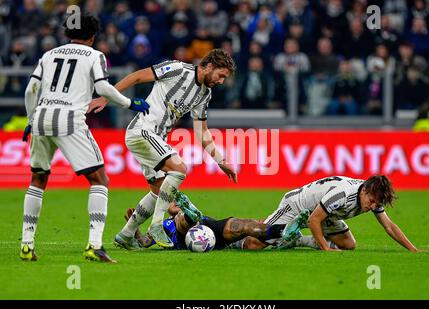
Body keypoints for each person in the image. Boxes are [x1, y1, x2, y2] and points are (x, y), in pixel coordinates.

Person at [20, 13, 150, 263]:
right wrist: (129, 102)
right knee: (99, 178)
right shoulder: (94, 55)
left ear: (68, 34)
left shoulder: (48, 55)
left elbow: (31, 90)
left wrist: (30, 119)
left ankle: (27, 244)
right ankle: (95, 245)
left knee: (37, 179)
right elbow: (101, 89)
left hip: (40, 118)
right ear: (92, 37)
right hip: (68, 121)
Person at [89, 49, 238, 249]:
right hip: (142, 130)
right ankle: (157, 225)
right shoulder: (177, 69)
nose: (221, 81)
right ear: (209, 66)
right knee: (179, 169)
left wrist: (221, 161)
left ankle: (125, 235)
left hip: (155, 138)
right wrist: (106, 97)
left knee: (158, 191)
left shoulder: (204, 94)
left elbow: (202, 132)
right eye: (221, 76)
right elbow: (137, 76)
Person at [242, 175, 422, 252]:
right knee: (253, 244)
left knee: (348, 244)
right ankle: (242, 228)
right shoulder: (343, 194)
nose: (372, 206)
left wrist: (412, 249)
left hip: (326, 214)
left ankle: (296, 239)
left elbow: (389, 226)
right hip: (297, 206)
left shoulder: (371, 196)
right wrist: (325, 248)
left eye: (377, 203)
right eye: (372, 201)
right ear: (365, 190)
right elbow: (314, 220)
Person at [122, 192, 288, 251]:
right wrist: (135, 228)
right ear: (164, 208)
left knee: (242, 226)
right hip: (184, 239)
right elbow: (143, 242)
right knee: (181, 222)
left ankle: (283, 230)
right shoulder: (162, 226)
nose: (174, 203)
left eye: (177, 202)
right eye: (172, 202)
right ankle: (189, 217)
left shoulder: (169, 221)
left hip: (207, 227)